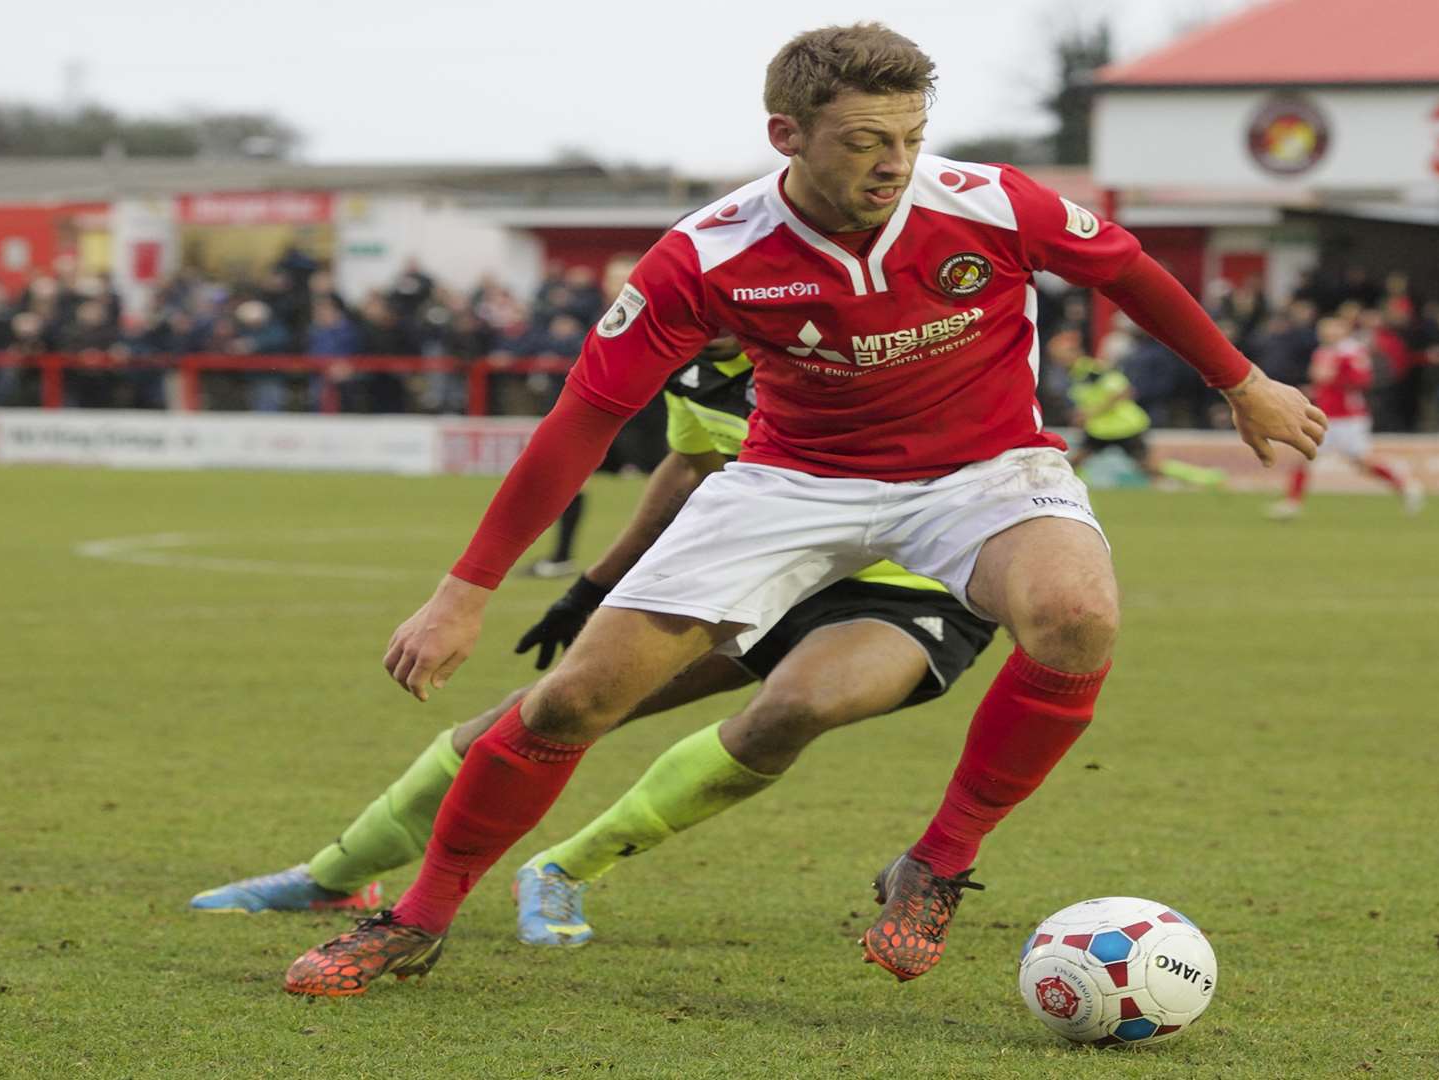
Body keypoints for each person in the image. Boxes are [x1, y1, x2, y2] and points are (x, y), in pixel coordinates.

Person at [282, 22, 1324, 996]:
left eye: (910, 137)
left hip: (986, 471)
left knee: (1078, 617)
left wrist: (1239, 380)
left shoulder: (992, 203)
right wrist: (463, 595)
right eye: (866, 140)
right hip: (792, 484)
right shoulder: (708, 254)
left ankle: (937, 862)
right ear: (786, 135)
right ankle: (413, 921)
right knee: (571, 702)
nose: (894, 163)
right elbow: (584, 418)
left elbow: (1131, 270)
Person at [193, 342, 998, 951]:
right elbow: (688, 470)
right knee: (560, 708)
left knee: (796, 704)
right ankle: (334, 875)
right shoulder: (696, 370)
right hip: (770, 568)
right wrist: (592, 587)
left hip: (912, 579)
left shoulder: (841, 339)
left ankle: (563, 869)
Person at [1270, 317, 1422, 519]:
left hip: (1348, 418)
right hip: (1326, 415)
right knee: (1303, 457)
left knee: (1362, 462)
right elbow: (1321, 381)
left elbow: (1363, 380)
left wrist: (1336, 380)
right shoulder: (1322, 352)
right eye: (1324, 328)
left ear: (1343, 330)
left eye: (1332, 328)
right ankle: (1292, 503)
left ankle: (1405, 485)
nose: (1327, 332)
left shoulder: (1351, 351)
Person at [1051, 329, 1222, 488]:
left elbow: (1124, 391)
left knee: (1148, 466)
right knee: (1076, 461)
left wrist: (1091, 413)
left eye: (1061, 354)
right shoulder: (1074, 375)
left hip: (1124, 426)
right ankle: (1076, 489)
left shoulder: (1093, 370)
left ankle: (1203, 478)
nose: (1057, 358)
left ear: (1075, 352)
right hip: (1100, 429)